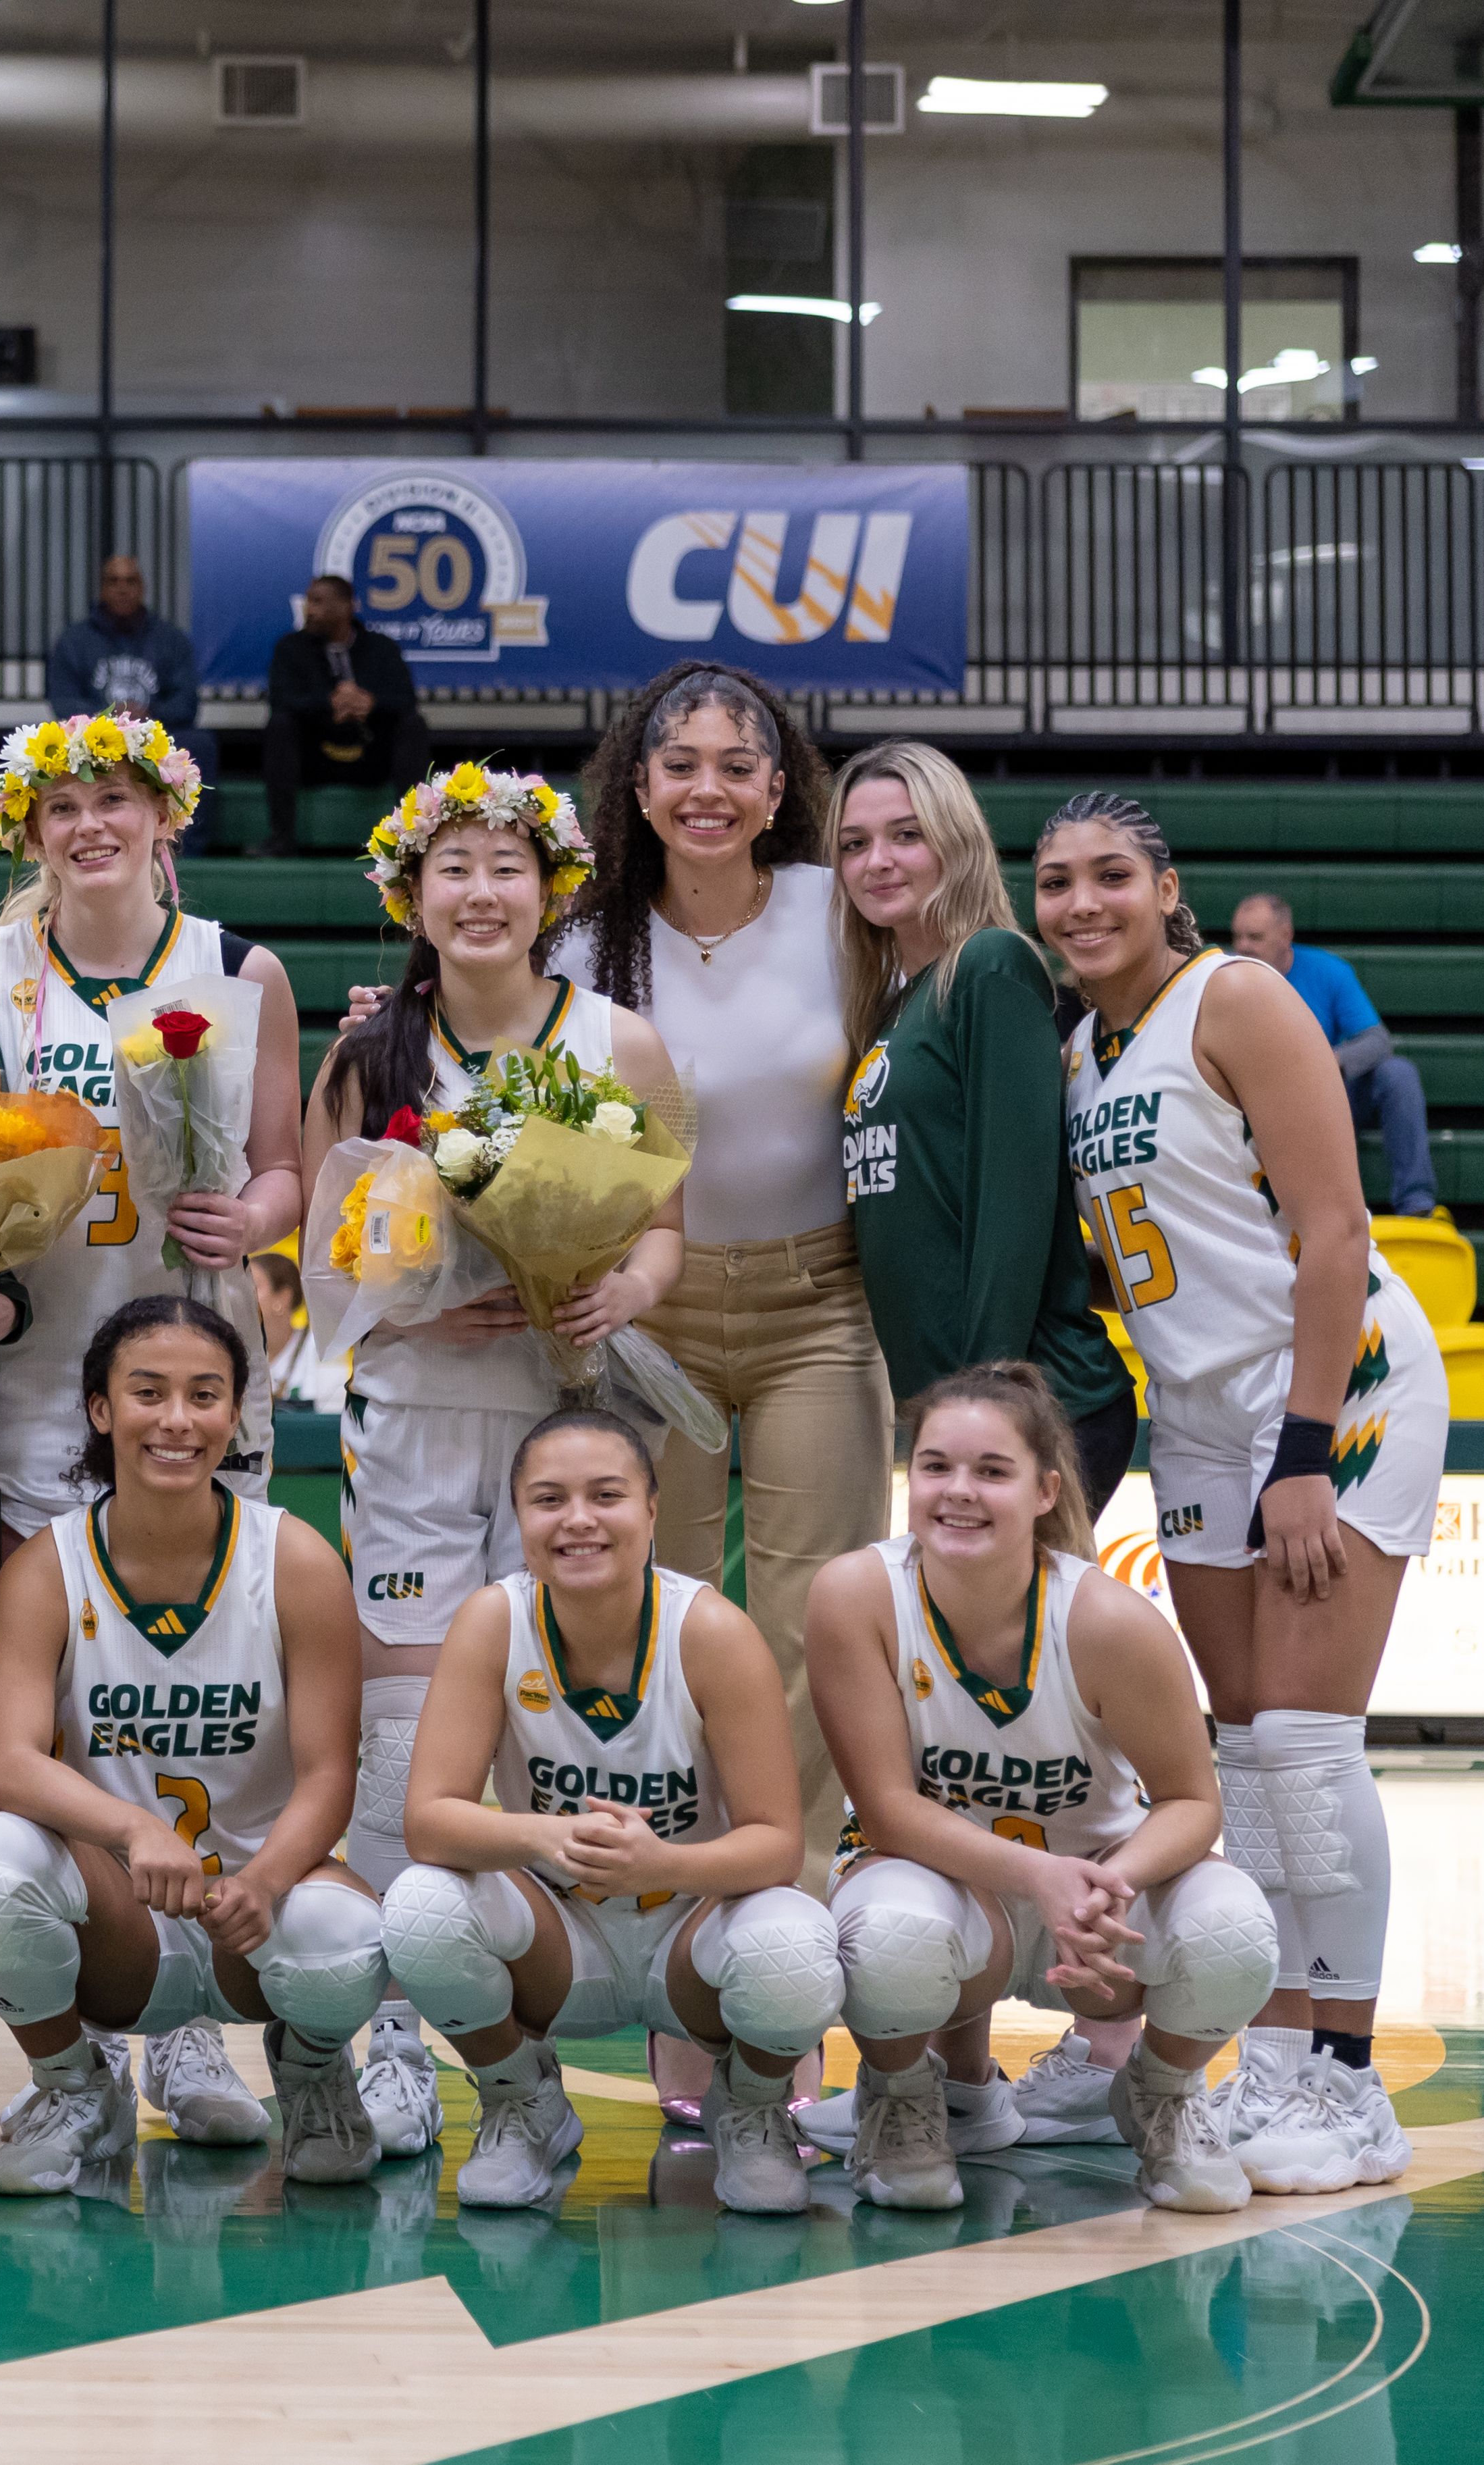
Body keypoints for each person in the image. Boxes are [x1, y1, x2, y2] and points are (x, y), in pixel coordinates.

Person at [1042, 790, 1446, 2192]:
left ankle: (1348, 2077)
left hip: (1335, 1386)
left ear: (1168, 888)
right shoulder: (1080, 1047)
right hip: (1198, 1414)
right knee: (1245, 1757)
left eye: (1109, 875)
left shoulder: (1238, 998)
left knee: (1310, 1748)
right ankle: (1270, 2056)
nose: (1081, 901)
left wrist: (1299, 1453)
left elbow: (1334, 1231)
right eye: (1054, 882)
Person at [305, 758, 681, 2159]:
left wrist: (617, 1290)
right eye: (449, 866)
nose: (478, 891)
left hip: (565, 1412)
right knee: (410, 1739)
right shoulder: (367, 1054)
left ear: (551, 889)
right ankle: (405, 2026)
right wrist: (402, 1287)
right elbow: (322, 1266)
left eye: (504, 866)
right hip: (408, 1414)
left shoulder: (620, 1044)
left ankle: (570, 2020)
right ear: (409, 891)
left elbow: (662, 1232)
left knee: (563, 1726)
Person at [557, 665, 889, 1952]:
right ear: (635, 787)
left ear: (777, 789)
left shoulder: (831, 907)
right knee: (666, 1613)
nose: (707, 787)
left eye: (736, 765)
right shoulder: (582, 933)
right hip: (644, 1316)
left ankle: (785, 1914)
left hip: (821, 1302)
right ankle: (673, 1904)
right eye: (679, 763)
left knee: (817, 1618)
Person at [801, 1366, 1278, 2216]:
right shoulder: (857, 1594)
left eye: (992, 1470)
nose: (959, 1491)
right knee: (894, 1934)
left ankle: (1161, 2090)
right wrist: (1045, 1880)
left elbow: (1193, 1801)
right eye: (937, 1465)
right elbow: (886, 1809)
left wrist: (1109, 1883)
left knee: (1233, 1927)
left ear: (1045, 1488)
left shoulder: (1107, 1620)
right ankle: (909, 2096)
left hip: (1096, 1907)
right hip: (949, 1894)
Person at [0, 1295, 391, 2193]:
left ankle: (311, 2071)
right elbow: (7, 1764)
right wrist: (131, 1830)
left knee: (344, 1928)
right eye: (146, 1392)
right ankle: (75, 2086)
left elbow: (326, 1775)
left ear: (236, 1414)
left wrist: (264, 1879)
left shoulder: (293, 1558)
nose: (175, 1420)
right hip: (120, 1926)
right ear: (99, 1409)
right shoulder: (47, 1563)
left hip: (251, 1913)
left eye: (203, 1394)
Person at [379, 1411, 844, 2216]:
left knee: (797, 1942)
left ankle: (753, 2105)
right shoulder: (495, 1619)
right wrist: (545, 1835)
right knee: (420, 1906)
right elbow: (431, 1820)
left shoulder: (712, 1632)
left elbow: (776, 1843)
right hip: (564, 1941)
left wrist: (661, 1863)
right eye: (549, 1498)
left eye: (607, 1494)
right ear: (518, 1516)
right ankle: (523, 2100)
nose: (579, 1519)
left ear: (653, 1511)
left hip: (688, 1938)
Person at [0, 713, 303, 1550]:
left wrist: (248, 1220)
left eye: (113, 799)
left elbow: (283, 1171)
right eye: (61, 807)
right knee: (51, 1656)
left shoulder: (242, 971)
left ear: (165, 815)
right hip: (36, 1372)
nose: (89, 824)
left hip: (200, 1366)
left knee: (205, 1659)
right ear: (31, 835)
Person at [832, 741, 1137, 1511]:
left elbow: (1015, 1201)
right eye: (854, 844)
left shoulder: (992, 966)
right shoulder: (894, 1006)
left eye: (907, 834)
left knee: (1024, 1635)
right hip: (956, 1411)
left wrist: (986, 1397)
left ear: (957, 843)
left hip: (1033, 1407)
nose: (878, 861)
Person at [1230, 892, 1439, 1222]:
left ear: (1286, 936)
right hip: (1265, 1105)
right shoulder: (1225, 980)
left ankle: (1417, 1205)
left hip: (1332, 1096)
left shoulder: (1327, 971)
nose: (1242, 946)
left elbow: (1377, 1040)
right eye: (1237, 936)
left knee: (1398, 1074)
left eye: (1254, 937)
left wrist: (1324, 1062)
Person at [45, 554, 220, 847]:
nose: (122, 589)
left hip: (154, 734)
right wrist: (105, 718)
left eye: (130, 581)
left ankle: (189, 847)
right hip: (91, 739)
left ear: (142, 588)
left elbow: (187, 703)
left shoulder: (170, 639)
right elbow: (63, 700)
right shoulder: (75, 641)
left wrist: (148, 714)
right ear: (102, 589)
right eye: (114, 582)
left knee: (201, 744)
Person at [260, 575, 425, 862]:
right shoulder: (290, 648)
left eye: (319, 602)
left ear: (347, 607)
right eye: (310, 601)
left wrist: (369, 703)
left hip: (370, 758)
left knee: (413, 726)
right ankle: (281, 840)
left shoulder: (382, 648)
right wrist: (330, 704)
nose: (310, 610)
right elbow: (281, 699)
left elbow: (405, 699)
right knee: (280, 727)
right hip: (316, 757)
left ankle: (414, 838)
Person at [245, 1248, 340, 1412]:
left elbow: (332, 1423)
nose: (243, 1296)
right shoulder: (237, 1352)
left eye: (253, 1287)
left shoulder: (322, 1350)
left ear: (283, 1298)